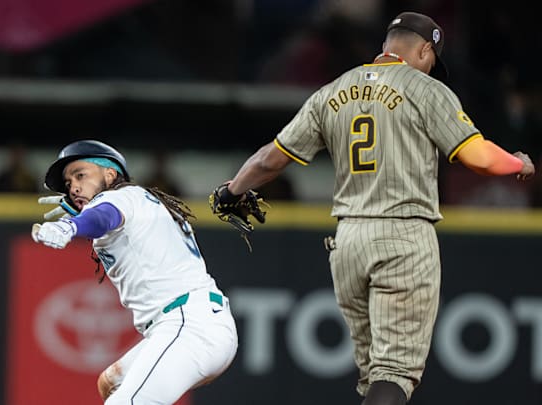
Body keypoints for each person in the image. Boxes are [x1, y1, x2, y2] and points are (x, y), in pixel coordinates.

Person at [210, 11, 535, 405]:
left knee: (373, 379)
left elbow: (271, 159)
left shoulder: (333, 91)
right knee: (394, 373)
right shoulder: (426, 89)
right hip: (402, 234)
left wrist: (232, 190)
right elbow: (480, 157)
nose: (430, 66)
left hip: (348, 241)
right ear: (424, 50)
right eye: (431, 59)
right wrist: (519, 162)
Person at [31, 140, 238, 404]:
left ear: (110, 174)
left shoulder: (120, 198)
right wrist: (83, 215)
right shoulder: (140, 200)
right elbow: (105, 217)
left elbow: (104, 215)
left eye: (80, 174)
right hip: (196, 323)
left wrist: (70, 226)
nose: (73, 187)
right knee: (111, 383)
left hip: (188, 325)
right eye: (69, 183)